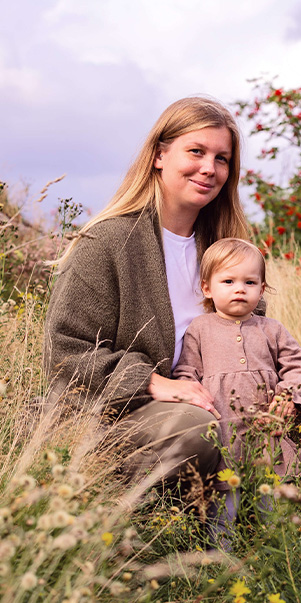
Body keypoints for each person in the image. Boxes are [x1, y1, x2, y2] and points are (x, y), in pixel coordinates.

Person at [43, 96, 251, 491]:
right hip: (116, 414)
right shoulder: (107, 242)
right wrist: (152, 382)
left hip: (214, 399)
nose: (209, 168)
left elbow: (251, 331)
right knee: (198, 430)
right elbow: (64, 350)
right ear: (159, 155)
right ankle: (141, 524)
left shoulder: (227, 250)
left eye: (222, 158)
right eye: (196, 151)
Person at [173, 238, 301, 538]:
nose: (240, 288)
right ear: (208, 288)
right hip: (225, 433)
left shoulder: (271, 329)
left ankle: (278, 557)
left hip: (267, 434)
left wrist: (288, 393)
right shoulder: (199, 329)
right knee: (224, 510)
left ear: (261, 289)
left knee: (273, 505)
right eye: (229, 281)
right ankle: (221, 560)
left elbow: (298, 366)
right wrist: (192, 396)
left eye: (250, 282)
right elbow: (186, 371)